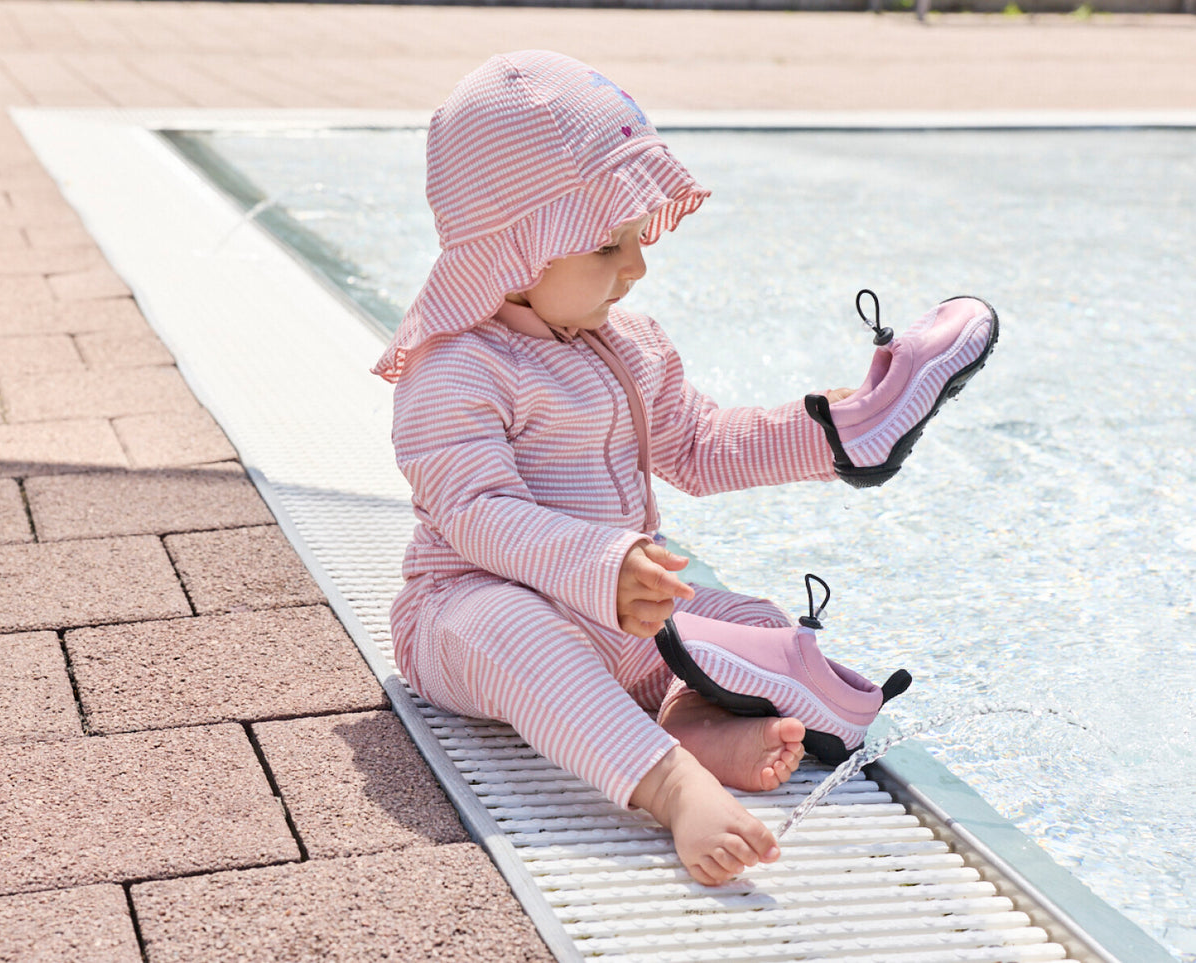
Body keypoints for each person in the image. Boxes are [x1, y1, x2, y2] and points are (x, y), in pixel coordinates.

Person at [371, 50, 996, 885]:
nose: (635, 266)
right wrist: (600, 562)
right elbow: (474, 513)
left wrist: (821, 432)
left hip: (623, 614)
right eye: (605, 245)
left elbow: (700, 445)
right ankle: (671, 783)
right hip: (467, 607)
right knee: (518, 630)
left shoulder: (626, 344)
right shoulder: (453, 369)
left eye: (635, 236)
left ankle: (693, 716)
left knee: (748, 618)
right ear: (511, 253)